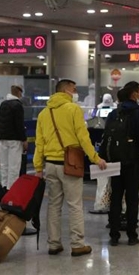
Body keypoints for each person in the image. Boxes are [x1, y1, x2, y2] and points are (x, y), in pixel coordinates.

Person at [34, 79, 107, 257]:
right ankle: (77, 244)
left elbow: (39, 142)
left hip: (50, 165)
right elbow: (83, 137)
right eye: (74, 89)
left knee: (53, 205)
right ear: (66, 90)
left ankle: (53, 244)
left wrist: (38, 167)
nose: (75, 93)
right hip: (70, 164)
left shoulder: (44, 113)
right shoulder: (73, 109)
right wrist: (95, 158)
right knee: (74, 205)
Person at [102, 81, 139, 246]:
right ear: (134, 94)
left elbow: (106, 137)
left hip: (114, 162)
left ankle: (114, 235)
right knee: (132, 199)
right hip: (132, 162)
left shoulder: (113, 113)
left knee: (115, 197)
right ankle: (132, 235)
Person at [0, 85, 27, 189]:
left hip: (3, 139)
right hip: (15, 140)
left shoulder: (3, 104)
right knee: (14, 167)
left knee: (4, 166)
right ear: (19, 93)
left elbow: (0, 122)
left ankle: (4, 187)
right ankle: (12, 190)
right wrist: (24, 139)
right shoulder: (18, 105)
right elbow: (19, 125)